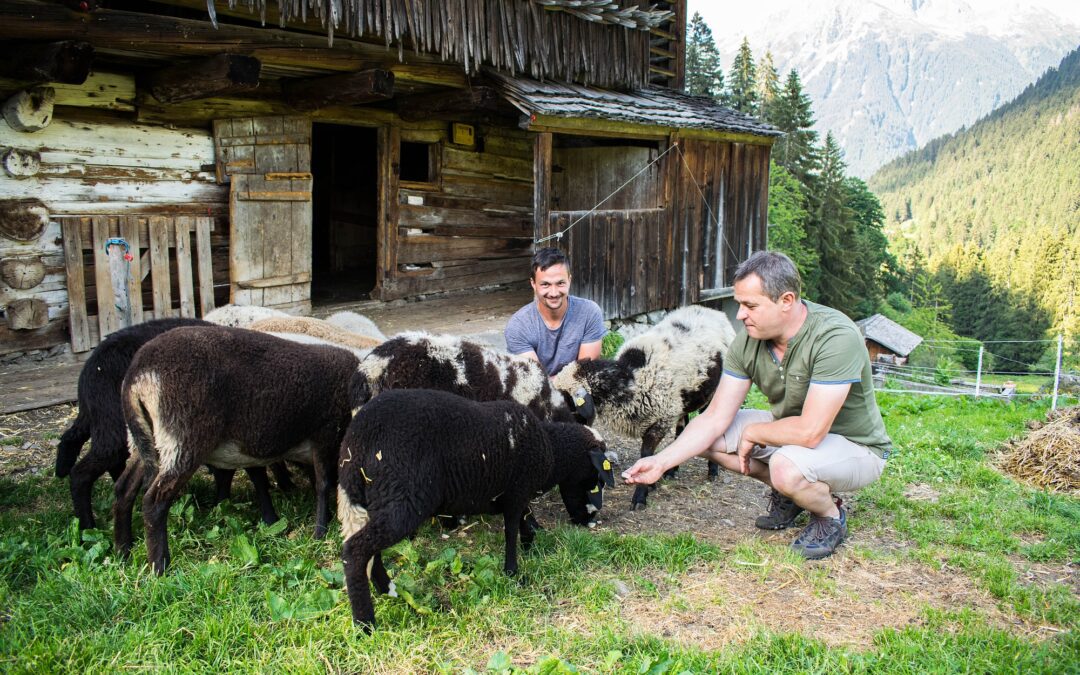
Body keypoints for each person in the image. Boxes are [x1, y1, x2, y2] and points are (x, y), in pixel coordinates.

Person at [622, 251, 890, 559]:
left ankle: (829, 515)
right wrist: (661, 461)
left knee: (785, 466)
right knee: (708, 440)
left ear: (786, 301)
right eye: (739, 304)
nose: (740, 315)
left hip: (855, 446)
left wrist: (754, 433)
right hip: (794, 432)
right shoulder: (749, 340)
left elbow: (811, 431)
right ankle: (791, 496)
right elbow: (713, 418)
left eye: (750, 305)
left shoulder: (835, 337)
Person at [504, 247, 606, 377]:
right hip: (537, 394)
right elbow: (537, 382)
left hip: (579, 389)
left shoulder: (589, 313)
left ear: (569, 280)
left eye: (560, 283)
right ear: (533, 284)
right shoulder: (518, 326)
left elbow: (584, 373)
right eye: (545, 284)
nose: (554, 293)